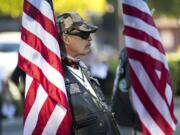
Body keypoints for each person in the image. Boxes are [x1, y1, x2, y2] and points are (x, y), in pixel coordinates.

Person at [56, 12, 120, 135]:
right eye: (84, 34)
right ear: (66, 38)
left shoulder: (83, 68)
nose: (90, 38)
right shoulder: (56, 77)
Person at [111, 47, 142, 135]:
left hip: (120, 107)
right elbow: (131, 87)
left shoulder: (125, 51)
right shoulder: (133, 54)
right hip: (129, 112)